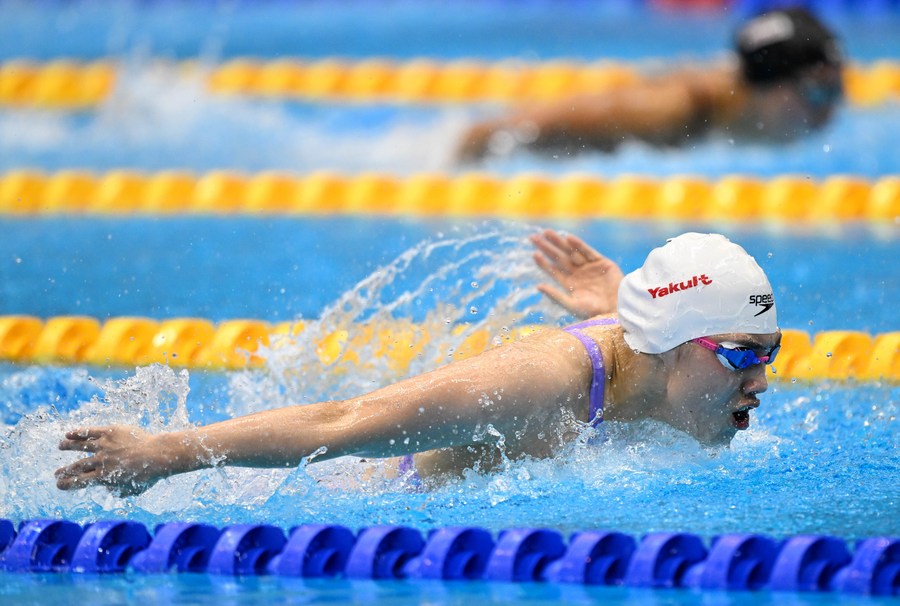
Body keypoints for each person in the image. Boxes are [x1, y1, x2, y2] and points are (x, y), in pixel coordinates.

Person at [56, 231, 781, 495]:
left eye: (771, 354)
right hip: (357, 500)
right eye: (744, 355)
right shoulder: (540, 385)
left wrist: (610, 295)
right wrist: (160, 452)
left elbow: (637, 325)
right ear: (674, 345)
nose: (761, 380)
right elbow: (341, 421)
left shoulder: (651, 353)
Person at [456, 7, 844, 162]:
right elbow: (496, 132)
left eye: (838, 87)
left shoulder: (744, 104)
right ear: (767, 87)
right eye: (820, 90)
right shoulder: (669, 110)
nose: (834, 105)